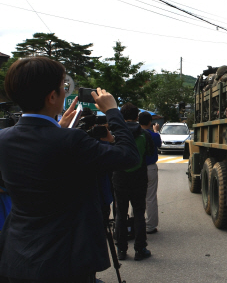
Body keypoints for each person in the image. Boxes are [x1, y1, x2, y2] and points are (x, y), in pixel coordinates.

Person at [0, 57, 139, 282]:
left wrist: (59, 128)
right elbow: (129, 156)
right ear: (52, 96)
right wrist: (113, 112)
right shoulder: (70, 141)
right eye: (64, 87)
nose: (66, 92)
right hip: (65, 259)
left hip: (16, 255)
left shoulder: (4, 139)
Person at [113, 103, 154, 261]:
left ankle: (121, 250)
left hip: (119, 177)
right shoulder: (145, 134)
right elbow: (150, 152)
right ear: (137, 117)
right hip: (139, 176)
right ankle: (140, 249)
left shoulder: (116, 133)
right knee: (138, 213)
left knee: (120, 214)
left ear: (121, 116)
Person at [138, 111, 162, 234]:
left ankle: (135, 223)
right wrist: (156, 131)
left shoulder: (133, 134)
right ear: (150, 122)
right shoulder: (153, 135)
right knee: (150, 197)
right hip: (150, 168)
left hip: (136, 168)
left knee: (136, 197)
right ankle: (150, 226)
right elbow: (159, 144)